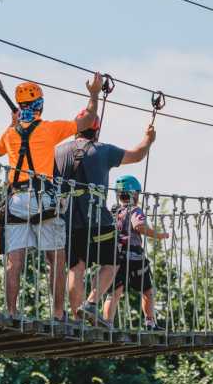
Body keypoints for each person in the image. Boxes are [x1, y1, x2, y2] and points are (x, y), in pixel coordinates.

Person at [0, 73, 102, 320]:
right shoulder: (50, 129)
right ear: (40, 105)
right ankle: (58, 313)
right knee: (56, 258)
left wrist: (12, 124)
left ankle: (10, 312)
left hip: (16, 200)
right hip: (43, 198)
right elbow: (89, 119)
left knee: (14, 261)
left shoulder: (10, 134)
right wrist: (94, 93)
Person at [54, 112, 157, 327]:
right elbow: (137, 155)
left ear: (76, 128)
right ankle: (91, 303)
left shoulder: (58, 151)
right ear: (96, 130)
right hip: (99, 219)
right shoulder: (103, 150)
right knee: (112, 263)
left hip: (70, 219)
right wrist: (148, 139)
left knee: (76, 268)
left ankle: (76, 319)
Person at [103, 175, 168, 330]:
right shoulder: (135, 210)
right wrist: (158, 235)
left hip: (117, 257)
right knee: (147, 290)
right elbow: (139, 226)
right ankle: (150, 322)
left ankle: (107, 323)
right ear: (134, 194)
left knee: (114, 291)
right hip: (135, 257)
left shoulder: (113, 211)